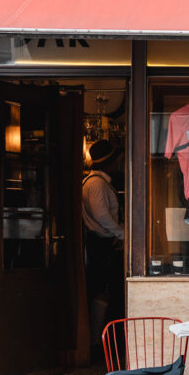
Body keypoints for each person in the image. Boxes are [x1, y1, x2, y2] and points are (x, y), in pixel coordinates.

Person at [82, 139, 124, 340]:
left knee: (105, 289)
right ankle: (97, 340)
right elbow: (102, 216)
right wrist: (121, 234)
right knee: (104, 290)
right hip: (102, 244)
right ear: (109, 162)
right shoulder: (97, 183)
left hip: (104, 241)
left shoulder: (98, 182)